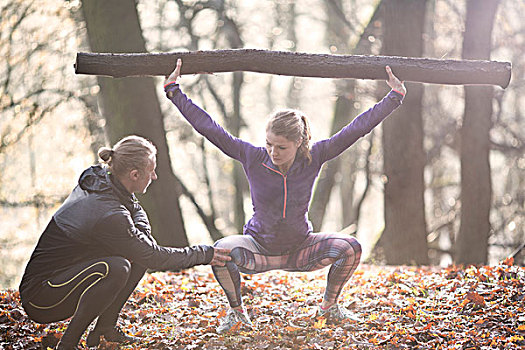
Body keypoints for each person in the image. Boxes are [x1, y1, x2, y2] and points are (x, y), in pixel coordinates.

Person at [164, 59, 406, 334]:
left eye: (281, 147)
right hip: (257, 249)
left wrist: (394, 97)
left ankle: (329, 308)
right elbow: (209, 128)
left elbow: (356, 129)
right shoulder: (252, 157)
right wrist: (174, 91)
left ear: (299, 144)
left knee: (351, 247)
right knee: (221, 250)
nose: (273, 151)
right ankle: (237, 315)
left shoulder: (315, 157)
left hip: (300, 249)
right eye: (269, 144)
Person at [19, 135, 232, 349]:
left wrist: (141, 231)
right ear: (135, 174)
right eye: (151, 171)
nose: (155, 176)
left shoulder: (105, 181)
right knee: (117, 267)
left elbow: (138, 217)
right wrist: (205, 254)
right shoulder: (109, 211)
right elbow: (155, 256)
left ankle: (105, 331)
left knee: (137, 256)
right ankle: (67, 345)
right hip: (41, 297)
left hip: (64, 278)